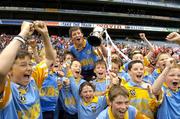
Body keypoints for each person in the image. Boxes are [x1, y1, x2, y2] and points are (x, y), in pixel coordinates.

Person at [0, 21, 56, 119]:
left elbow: (50, 59)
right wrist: (23, 33)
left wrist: (45, 34)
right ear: (9, 70)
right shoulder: (6, 88)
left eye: (30, 64)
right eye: (23, 65)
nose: (29, 68)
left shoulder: (33, 78)